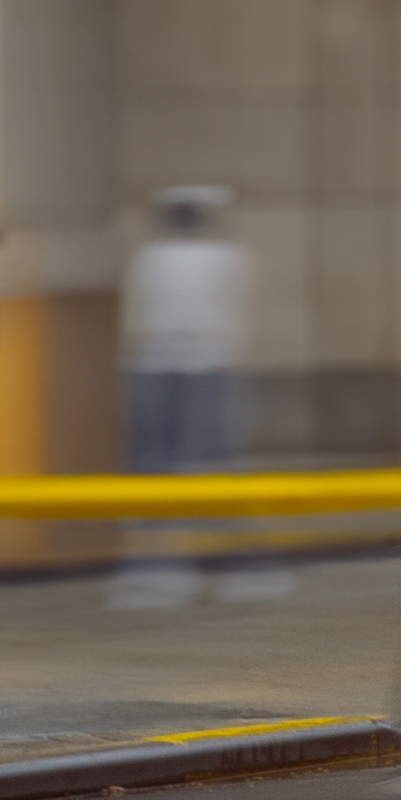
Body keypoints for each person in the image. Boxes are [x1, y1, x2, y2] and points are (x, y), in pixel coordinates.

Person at [117, 187, 251, 603]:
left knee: (200, 463)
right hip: (166, 362)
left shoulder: (213, 257)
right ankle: (165, 566)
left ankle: (220, 564)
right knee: (161, 464)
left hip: (199, 363)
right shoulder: (159, 257)